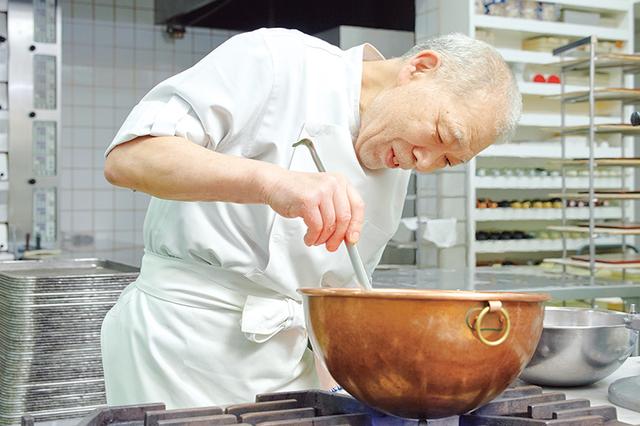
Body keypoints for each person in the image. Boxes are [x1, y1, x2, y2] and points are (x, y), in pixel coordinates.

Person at [101, 27, 521, 408]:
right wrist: (271, 182)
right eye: (442, 135)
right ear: (420, 67)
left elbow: (335, 299)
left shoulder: (400, 157)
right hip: (179, 345)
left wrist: (351, 391)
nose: (424, 162)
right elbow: (130, 158)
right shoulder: (279, 61)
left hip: (288, 369)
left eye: (447, 161)